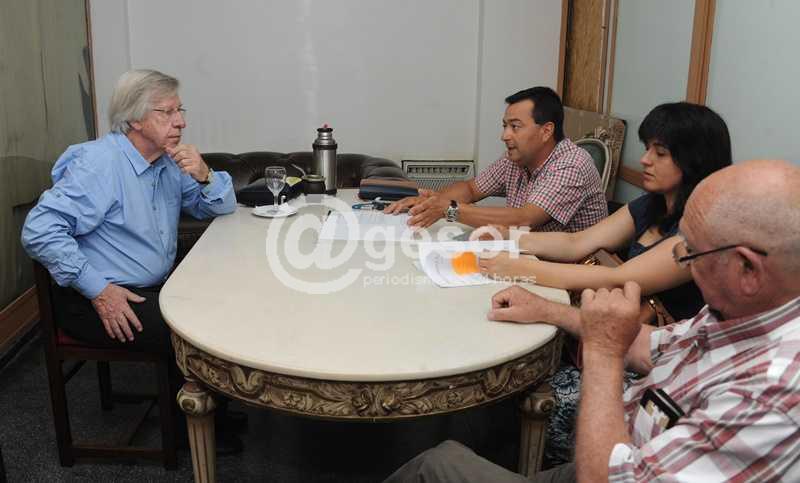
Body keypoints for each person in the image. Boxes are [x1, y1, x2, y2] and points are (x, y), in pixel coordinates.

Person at [384, 159, 800, 482]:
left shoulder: (773, 393)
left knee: (437, 466)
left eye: (688, 252)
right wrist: (549, 310)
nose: (680, 260)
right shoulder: (739, 314)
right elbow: (651, 345)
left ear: (748, 270)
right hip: (625, 453)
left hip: (610, 468)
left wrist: (601, 353)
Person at [477, 102, 732, 464]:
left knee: (523, 381)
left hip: (653, 358)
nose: (644, 160)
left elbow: (618, 276)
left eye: (660, 153)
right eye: (647, 148)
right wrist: (509, 238)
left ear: (694, 160)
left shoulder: (699, 233)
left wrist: (516, 268)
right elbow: (577, 242)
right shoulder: (650, 205)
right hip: (613, 328)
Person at [22, 69, 241, 451]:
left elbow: (218, 209)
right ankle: (193, 426)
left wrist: (206, 175)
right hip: (94, 298)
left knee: (223, 303)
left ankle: (211, 411)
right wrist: (100, 290)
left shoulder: (167, 162)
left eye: (180, 110)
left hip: (150, 287)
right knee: (197, 329)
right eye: (167, 112)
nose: (180, 122)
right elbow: (38, 230)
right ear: (135, 120)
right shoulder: (100, 164)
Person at [384, 87, 607, 231]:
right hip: (527, 255)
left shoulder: (571, 164)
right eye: (504, 126)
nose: (505, 136)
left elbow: (524, 219)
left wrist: (448, 209)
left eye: (515, 127)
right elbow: (471, 189)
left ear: (546, 131)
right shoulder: (516, 159)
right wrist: (428, 203)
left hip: (572, 273)